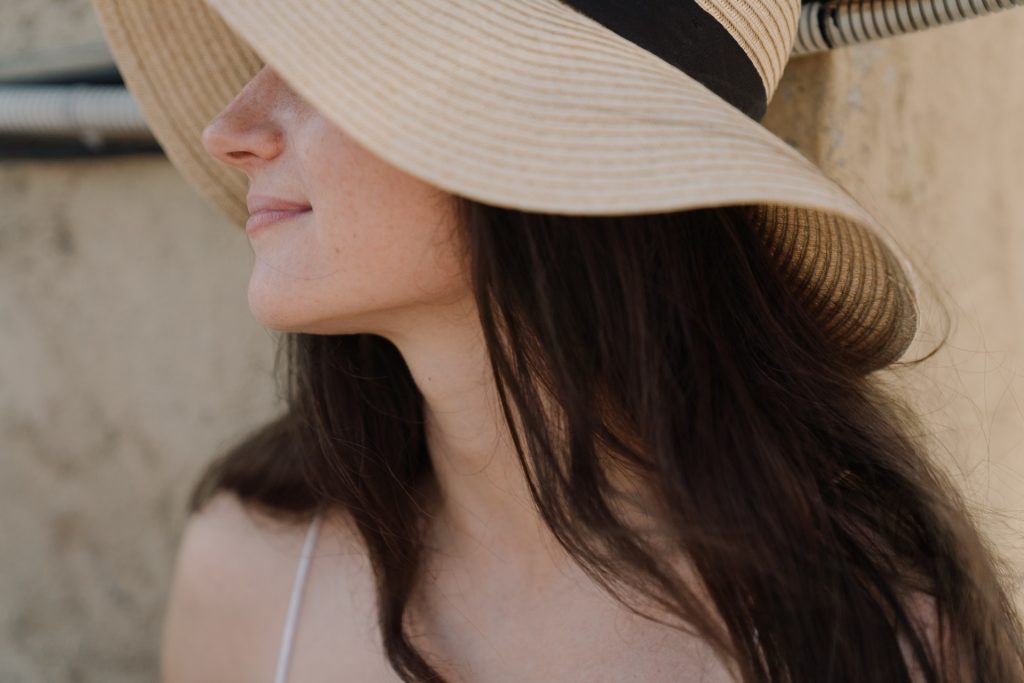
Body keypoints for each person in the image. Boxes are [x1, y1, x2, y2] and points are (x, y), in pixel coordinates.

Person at [90, 0, 1024, 681]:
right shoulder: (249, 570)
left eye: (332, 62)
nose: (231, 130)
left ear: (539, 122)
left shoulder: (873, 643)